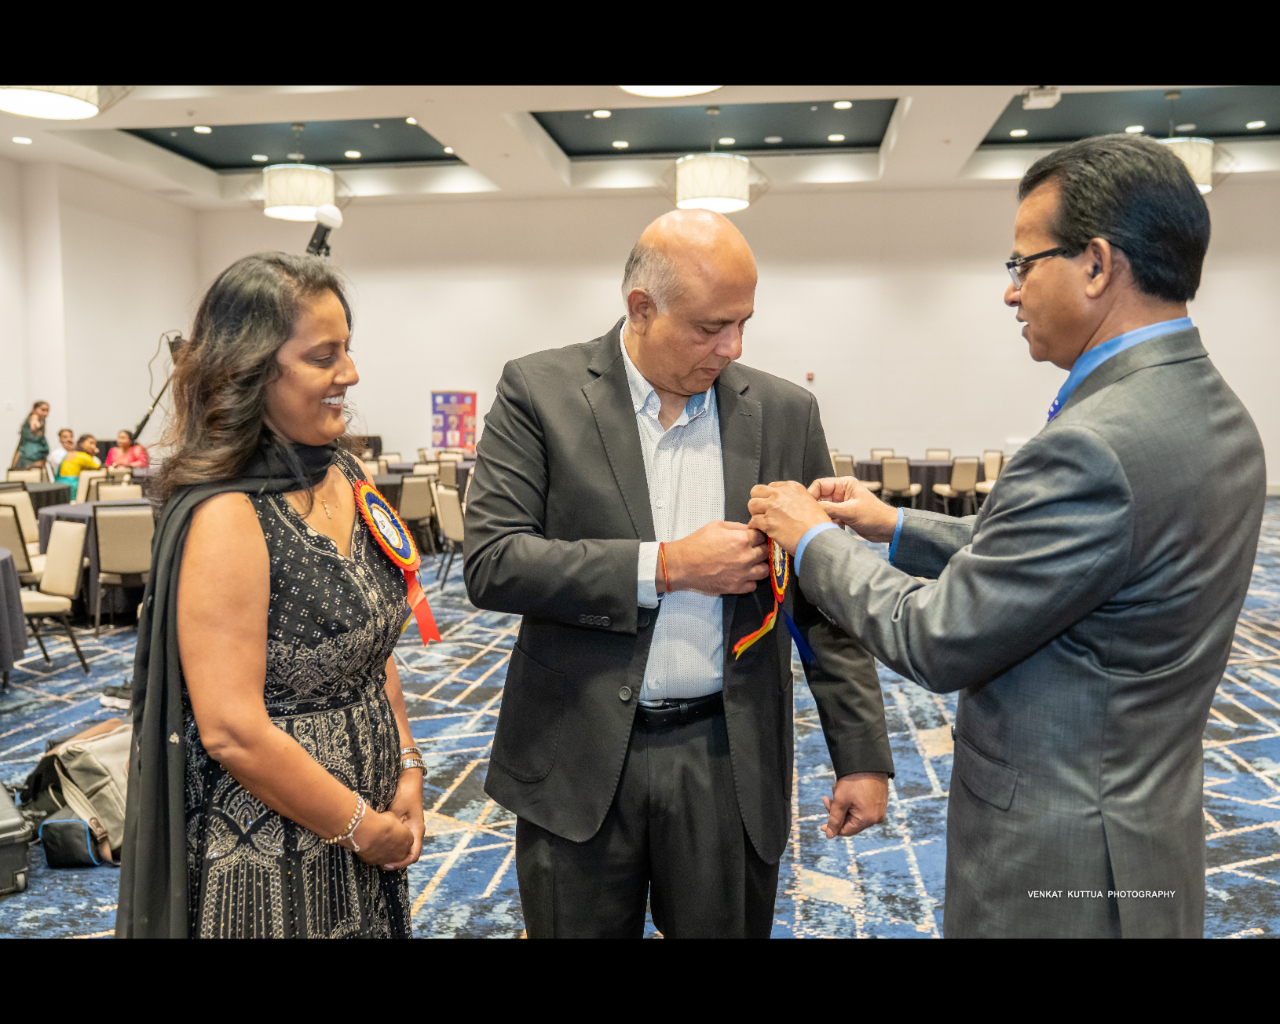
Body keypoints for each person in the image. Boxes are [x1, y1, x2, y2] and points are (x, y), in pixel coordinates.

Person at [747, 134, 1266, 938]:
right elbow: (1061, 560)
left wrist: (814, 540)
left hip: (1060, 861)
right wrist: (893, 525)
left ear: (1096, 265)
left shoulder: (1093, 444)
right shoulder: (1213, 410)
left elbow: (935, 636)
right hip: (1144, 827)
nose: (1010, 292)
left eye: (1023, 264)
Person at [464, 210, 894, 939]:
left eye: (743, 324)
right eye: (709, 328)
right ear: (641, 308)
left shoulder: (786, 413)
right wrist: (666, 567)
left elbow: (823, 600)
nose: (732, 347)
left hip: (727, 757)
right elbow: (493, 561)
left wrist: (861, 756)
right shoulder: (539, 391)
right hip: (577, 751)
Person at [116, 253, 424, 938]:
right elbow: (232, 729)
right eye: (324, 357)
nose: (351, 373)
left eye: (347, 349)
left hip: (365, 826)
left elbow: (374, 647)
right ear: (252, 370)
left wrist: (407, 766)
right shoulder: (228, 513)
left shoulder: (344, 471)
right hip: (268, 851)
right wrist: (358, 825)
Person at [11, 401, 49, 470]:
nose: (45, 413)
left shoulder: (42, 422)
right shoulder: (34, 418)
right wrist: (35, 420)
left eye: (47, 411)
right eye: (43, 410)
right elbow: (34, 420)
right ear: (34, 409)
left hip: (37, 459)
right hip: (28, 459)